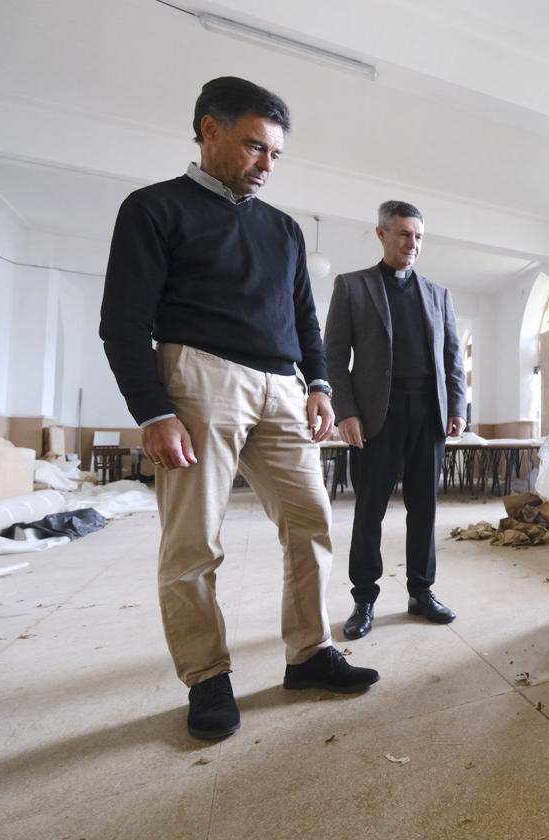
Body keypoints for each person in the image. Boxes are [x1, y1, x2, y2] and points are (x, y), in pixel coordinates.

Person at [100, 76, 379, 741]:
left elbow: (306, 320)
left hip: (282, 386)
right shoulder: (153, 208)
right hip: (199, 376)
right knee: (193, 541)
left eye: (276, 154)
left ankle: (309, 654)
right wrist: (152, 409)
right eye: (255, 147)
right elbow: (122, 321)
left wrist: (318, 386)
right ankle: (208, 676)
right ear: (210, 130)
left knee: (311, 522)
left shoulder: (283, 230)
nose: (266, 164)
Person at [324, 200, 467, 640]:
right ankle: (363, 599)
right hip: (374, 417)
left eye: (419, 236)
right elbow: (332, 356)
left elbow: (453, 358)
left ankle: (421, 592)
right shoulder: (352, 287)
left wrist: (458, 407)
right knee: (369, 511)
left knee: (424, 509)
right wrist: (345, 412)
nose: (413, 244)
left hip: (428, 413)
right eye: (404, 234)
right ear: (382, 234)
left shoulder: (438, 294)